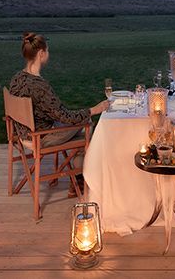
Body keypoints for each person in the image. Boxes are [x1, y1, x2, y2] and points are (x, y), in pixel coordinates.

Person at [8, 32, 109, 196]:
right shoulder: (40, 86)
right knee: (87, 126)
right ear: (41, 53)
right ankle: (77, 179)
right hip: (41, 137)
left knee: (83, 129)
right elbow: (65, 116)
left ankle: (76, 176)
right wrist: (94, 109)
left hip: (21, 135)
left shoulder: (16, 78)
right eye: (47, 51)